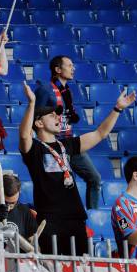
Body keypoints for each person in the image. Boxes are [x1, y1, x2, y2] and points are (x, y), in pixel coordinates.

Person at [18, 82, 137, 256]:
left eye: (57, 114)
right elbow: (24, 135)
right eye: (51, 115)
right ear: (39, 122)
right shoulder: (34, 149)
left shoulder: (67, 145)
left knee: (80, 268)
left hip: (75, 218)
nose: (58, 118)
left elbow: (100, 134)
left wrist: (117, 109)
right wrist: (31, 103)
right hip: (50, 220)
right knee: (54, 268)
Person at [34, 55, 102, 211]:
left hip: (70, 142)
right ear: (58, 69)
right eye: (69, 65)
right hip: (53, 145)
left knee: (95, 178)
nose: (73, 68)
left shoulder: (67, 91)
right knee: (65, 186)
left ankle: (91, 217)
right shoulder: (45, 90)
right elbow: (35, 117)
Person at [0, 174, 40, 243]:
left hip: (17, 250)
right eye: (5, 202)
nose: (9, 207)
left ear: (19, 192)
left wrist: (31, 242)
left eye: (13, 203)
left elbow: (34, 240)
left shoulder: (24, 210)